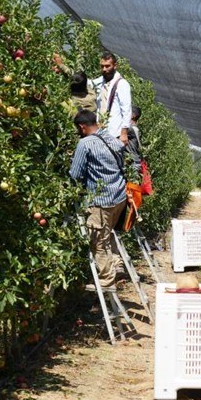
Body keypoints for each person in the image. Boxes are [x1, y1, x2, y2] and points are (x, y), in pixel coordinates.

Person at [69, 110, 127, 290]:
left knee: (98, 240)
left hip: (101, 201)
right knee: (108, 233)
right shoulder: (112, 139)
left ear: (81, 127)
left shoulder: (85, 144)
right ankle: (117, 264)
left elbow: (75, 174)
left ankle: (106, 280)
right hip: (119, 196)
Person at [93, 51, 132, 147]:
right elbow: (85, 82)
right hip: (100, 130)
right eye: (102, 66)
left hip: (115, 132)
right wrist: (63, 69)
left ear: (115, 66)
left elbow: (126, 110)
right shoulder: (100, 81)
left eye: (107, 66)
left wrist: (124, 133)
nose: (104, 69)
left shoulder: (122, 84)